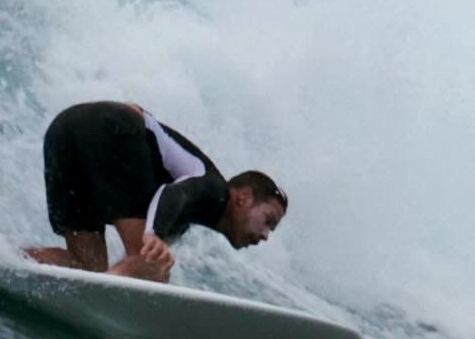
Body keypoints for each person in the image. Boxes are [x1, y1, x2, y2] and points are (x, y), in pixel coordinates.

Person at [25, 100, 288, 283]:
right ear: (243, 198)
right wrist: (152, 235)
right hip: (112, 126)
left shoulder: (187, 218)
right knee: (153, 263)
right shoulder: (214, 188)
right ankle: (99, 291)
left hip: (65, 130)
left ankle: (6, 258)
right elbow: (174, 193)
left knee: (86, 266)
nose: (265, 235)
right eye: (268, 221)